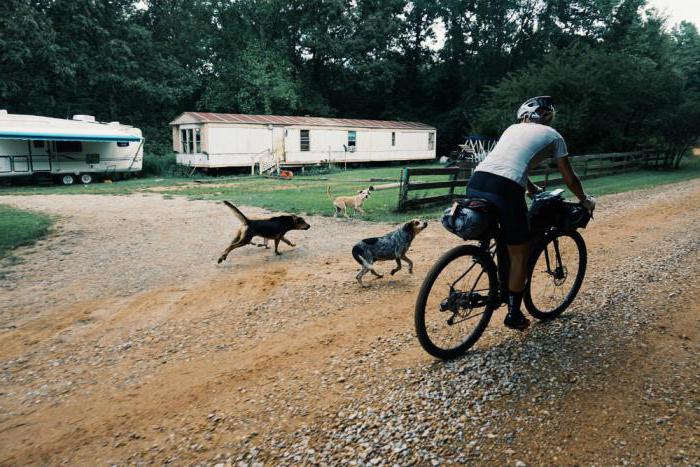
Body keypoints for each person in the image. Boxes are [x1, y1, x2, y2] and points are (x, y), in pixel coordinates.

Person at [466, 96, 595, 330]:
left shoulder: (511, 129)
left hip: (477, 180)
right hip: (506, 189)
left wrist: (532, 189)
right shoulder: (555, 137)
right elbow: (569, 177)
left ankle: (486, 258)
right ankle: (513, 314)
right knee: (520, 251)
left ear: (524, 116)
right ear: (548, 118)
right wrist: (584, 200)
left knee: (498, 233)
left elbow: (509, 164)